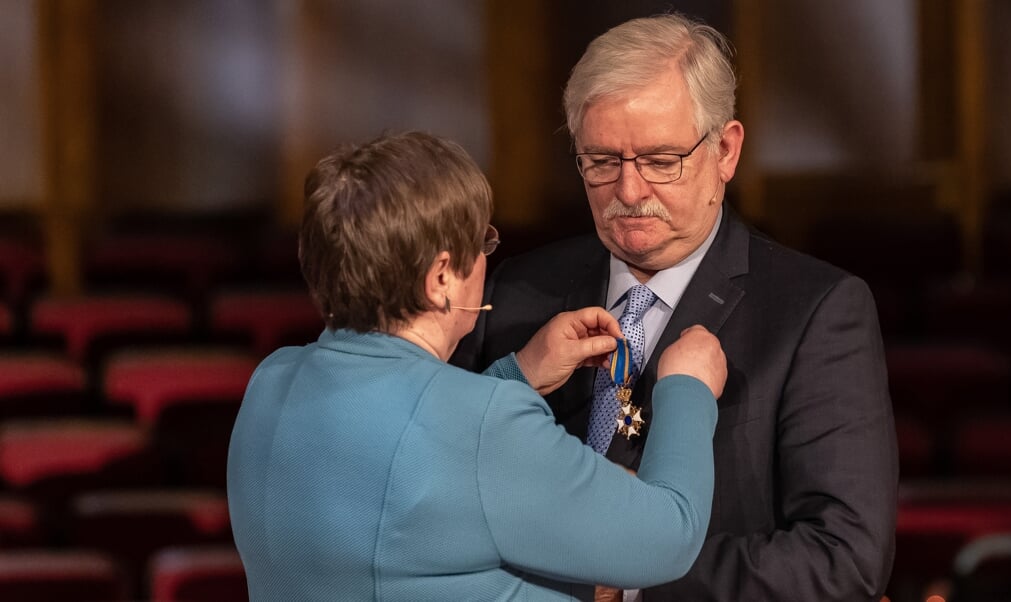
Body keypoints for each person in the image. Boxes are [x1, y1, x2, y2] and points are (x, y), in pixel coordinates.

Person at [452, 12, 899, 601]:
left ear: (726, 152)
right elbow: (438, 488)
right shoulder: (517, 290)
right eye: (603, 162)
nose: (630, 192)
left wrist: (627, 574)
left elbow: (844, 559)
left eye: (662, 161)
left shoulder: (817, 311)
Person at [226, 131, 729, 601]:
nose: (488, 260)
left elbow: (405, 468)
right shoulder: (482, 424)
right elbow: (668, 536)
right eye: (482, 244)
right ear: (441, 276)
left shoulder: (271, 381)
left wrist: (520, 373)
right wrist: (687, 387)